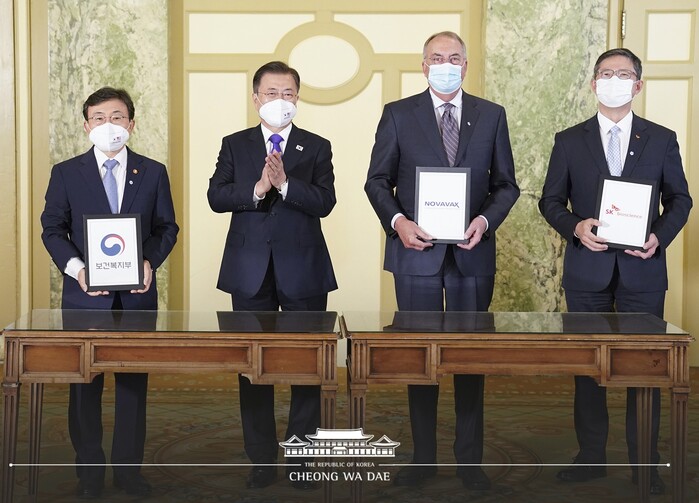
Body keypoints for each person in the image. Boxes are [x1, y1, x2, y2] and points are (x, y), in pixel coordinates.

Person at [364, 31, 519, 491]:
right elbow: (377, 181)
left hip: (472, 254)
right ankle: (423, 459)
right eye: (437, 57)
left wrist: (484, 222)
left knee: (470, 360)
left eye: (454, 58)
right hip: (417, 255)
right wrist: (398, 223)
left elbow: (506, 185)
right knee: (420, 361)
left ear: (465, 66)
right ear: (424, 66)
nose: (445, 64)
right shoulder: (398, 114)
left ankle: (470, 462)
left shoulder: (491, 115)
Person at [539, 48, 692, 495]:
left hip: (643, 272)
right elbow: (551, 201)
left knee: (645, 371)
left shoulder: (661, 139)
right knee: (589, 370)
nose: (614, 80)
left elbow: (680, 199)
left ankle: (646, 463)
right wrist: (575, 227)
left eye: (623, 74)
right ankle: (591, 458)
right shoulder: (569, 140)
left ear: (638, 85)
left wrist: (659, 236)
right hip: (587, 273)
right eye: (606, 73)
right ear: (593, 83)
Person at [41, 86, 179, 499]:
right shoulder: (66, 172)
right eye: (99, 118)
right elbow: (52, 229)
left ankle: (128, 472)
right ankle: (88, 473)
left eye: (117, 117)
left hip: (136, 298)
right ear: (86, 126)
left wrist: (149, 261)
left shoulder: (153, 172)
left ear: (131, 124)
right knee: (84, 387)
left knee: (133, 387)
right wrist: (78, 270)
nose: (108, 125)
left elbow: (166, 228)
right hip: (84, 298)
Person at [207, 61, 337, 490]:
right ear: (255, 98)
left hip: (304, 270)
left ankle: (301, 459)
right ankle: (261, 459)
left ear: (297, 98)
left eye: (288, 93)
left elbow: (325, 202)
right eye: (271, 93)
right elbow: (216, 196)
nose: (280, 100)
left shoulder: (316, 146)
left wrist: (285, 185)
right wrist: (259, 188)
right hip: (249, 271)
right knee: (252, 369)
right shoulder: (235, 144)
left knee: (307, 369)